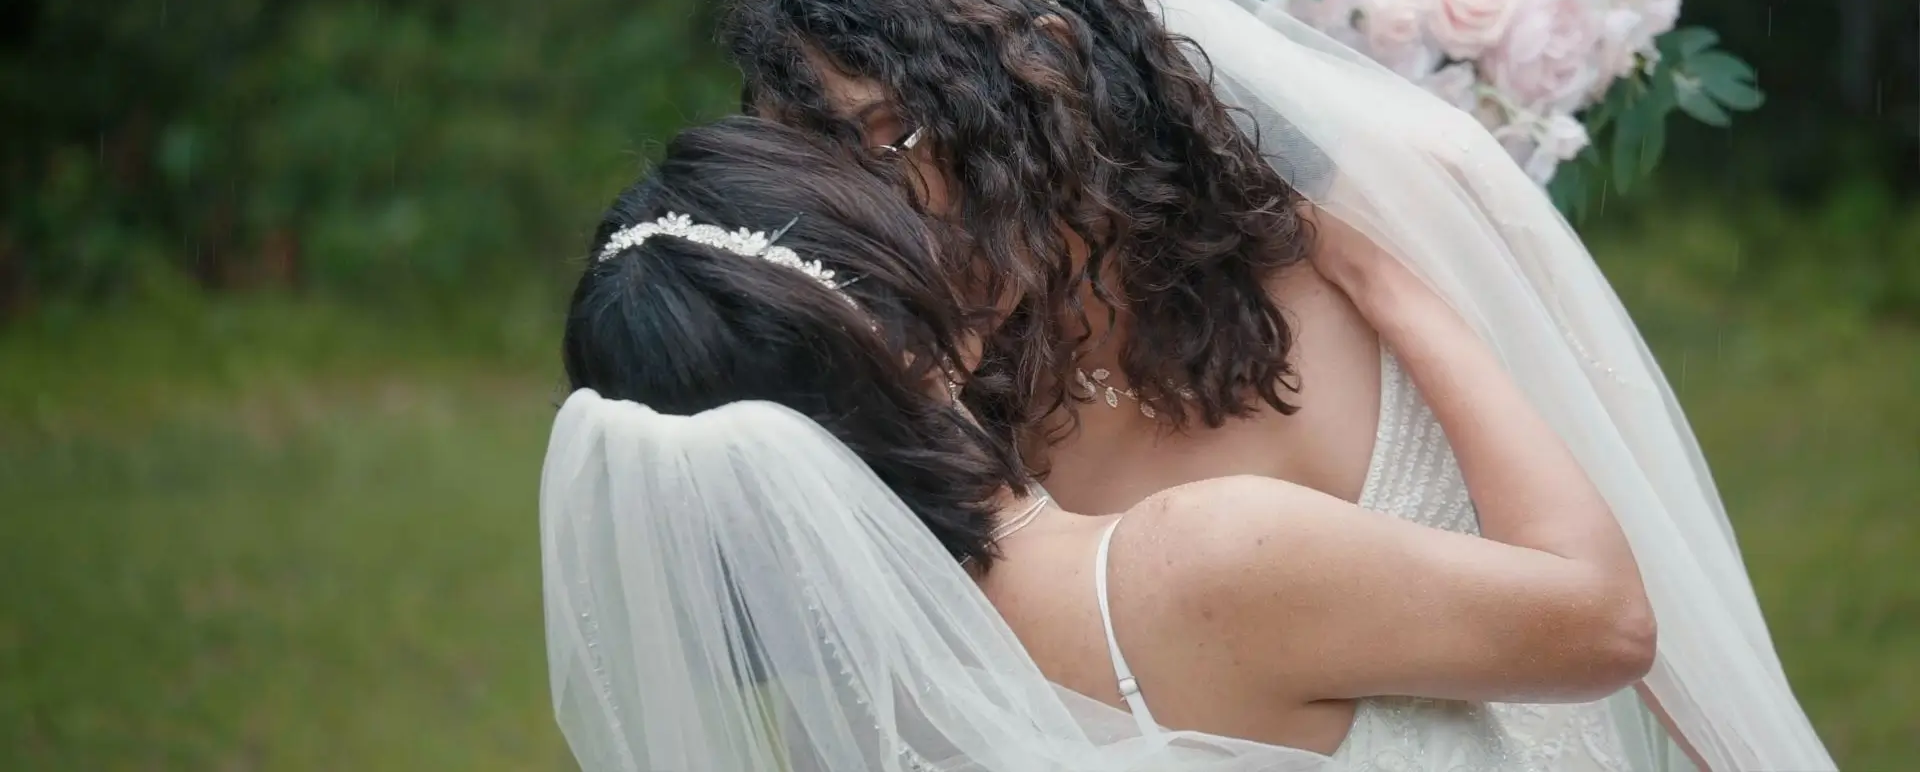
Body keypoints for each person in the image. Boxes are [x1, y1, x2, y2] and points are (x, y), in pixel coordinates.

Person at [719, 0, 1835, 771]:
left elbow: (1660, 620)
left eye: (887, 142)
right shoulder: (941, 415)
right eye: (820, 165)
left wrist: (1397, 288)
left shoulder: (1387, 233)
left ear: (1046, 68)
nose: (862, 208)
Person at [544, 115, 1655, 772]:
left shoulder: (859, 705)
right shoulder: (1197, 564)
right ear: (915, 346)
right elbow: (1603, 621)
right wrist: (1394, 283)